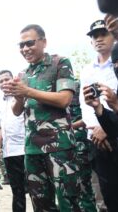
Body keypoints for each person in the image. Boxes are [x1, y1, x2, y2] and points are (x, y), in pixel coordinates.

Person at [8, 24, 80, 211]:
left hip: (59, 147)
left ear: (44, 42)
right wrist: (19, 97)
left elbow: (65, 99)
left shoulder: (60, 63)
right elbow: (17, 111)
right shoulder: (23, 74)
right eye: (21, 45)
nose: (25, 49)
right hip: (32, 149)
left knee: (68, 202)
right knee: (41, 204)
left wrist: (28, 91)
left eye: (29, 43)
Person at [79, 18, 118, 212]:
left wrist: (107, 127)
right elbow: (85, 104)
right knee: (108, 195)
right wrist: (96, 128)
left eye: (103, 34)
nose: (99, 39)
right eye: (94, 36)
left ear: (114, 35)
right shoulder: (87, 70)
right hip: (97, 140)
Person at [0, 70, 26, 212]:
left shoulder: (23, 95)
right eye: (1, 81)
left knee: (38, 189)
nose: (4, 82)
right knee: (17, 190)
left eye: (7, 79)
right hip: (9, 152)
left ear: (13, 79)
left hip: (27, 150)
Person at [70, 79, 97, 212]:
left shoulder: (80, 88)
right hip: (68, 148)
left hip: (82, 147)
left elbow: (89, 117)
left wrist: (71, 125)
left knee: (84, 185)